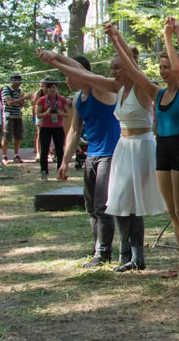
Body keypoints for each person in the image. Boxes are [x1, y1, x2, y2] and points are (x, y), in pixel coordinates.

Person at [52, 24, 165, 271]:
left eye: (117, 67)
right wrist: (56, 63)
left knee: (131, 204)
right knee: (119, 203)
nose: (113, 71)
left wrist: (116, 38)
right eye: (111, 68)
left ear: (128, 67)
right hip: (123, 148)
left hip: (141, 147)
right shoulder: (117, 88)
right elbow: (86, 76)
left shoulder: (140, 87)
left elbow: (131, 66)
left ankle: (136, 257)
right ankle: (126, 254)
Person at [113, 17, 179, 277]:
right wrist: (117, 40)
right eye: (160, 67)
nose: (163, 71)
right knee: (171, 209)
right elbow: (133, 70)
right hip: (161, 150)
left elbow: (178, 67)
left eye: (166, 66)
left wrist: (167, 37)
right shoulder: (157, 93)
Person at [39, 52, 120, 266]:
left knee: (103, 207)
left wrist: (56, 57)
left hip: (110, 154)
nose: (67, 80)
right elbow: (75, 131)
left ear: (80, 73)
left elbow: (78, 69)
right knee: (91, 207)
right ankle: (97, 248)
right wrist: (65, 160)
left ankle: (104, 253)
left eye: (69, 74)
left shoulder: (101, 90)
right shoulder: (77, 99)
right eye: (64, 76)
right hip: (92, 156)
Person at [34, 78, 69, 181]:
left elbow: (67, 114)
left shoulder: (62, 99)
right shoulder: (42, 100)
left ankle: (60, 172)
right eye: (49, 88)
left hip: (58, 127)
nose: (52, 90)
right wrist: (46, 113)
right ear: (46, 89)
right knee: (44, 150)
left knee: (59, 150)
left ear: (56, 87)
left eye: (53, 87)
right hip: (45, 127)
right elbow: (38, 115)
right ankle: (44, 172)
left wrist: (59, 113)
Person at [2, 74, 29, 164]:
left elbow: (21, 104)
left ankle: (16, 155)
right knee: (7, 137)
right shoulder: (6, 89)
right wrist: (23, 98)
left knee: (18, 136)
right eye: (17, 80)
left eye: (20, 81)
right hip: (9, 116)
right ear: (12, 80)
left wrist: (22, 100)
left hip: (18, 115)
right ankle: (4, 156)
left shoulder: (19, 90)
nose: (19, 83)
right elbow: (9, 103)